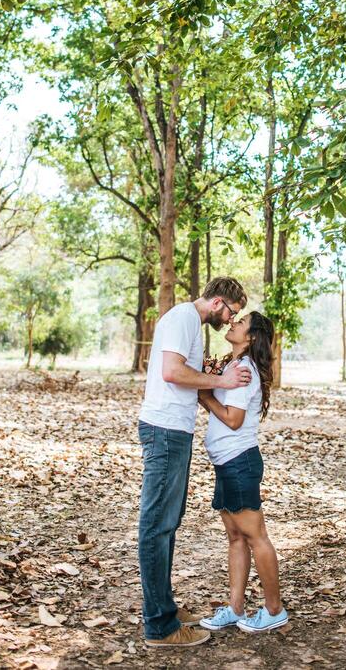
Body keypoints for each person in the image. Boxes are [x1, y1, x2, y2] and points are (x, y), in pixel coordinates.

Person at [138, 277, 250, 649]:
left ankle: (165, 609)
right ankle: (159, 626)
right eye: (232, 312)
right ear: (218, 302)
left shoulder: (192, 323)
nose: (230, 320)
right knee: (157, 525)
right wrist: (222, 379)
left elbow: (186, 375)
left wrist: (216, 377)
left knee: (168, 523)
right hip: (164, 430)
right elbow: (173, 372)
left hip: (176, 431)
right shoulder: (185, 317)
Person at [198, 311, 288, 634]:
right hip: (227, 463)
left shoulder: (243, 369)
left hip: (239, 463)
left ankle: (274, 609)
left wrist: (205, 396)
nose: (233, 323)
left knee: (255, 536)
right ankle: (235, 608)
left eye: (241, 323)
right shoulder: (231, 367)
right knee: (236, 537)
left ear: (250, 338)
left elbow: (233, 419)